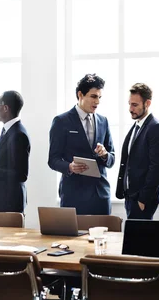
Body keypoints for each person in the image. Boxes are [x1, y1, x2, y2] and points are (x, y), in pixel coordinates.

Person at [48, 74, 115, 215]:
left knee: (103, 237)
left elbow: (112, 159)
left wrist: (104, 155)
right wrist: (70, 167)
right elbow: (52, 160)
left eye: (99, 97)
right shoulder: (61, 121)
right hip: (73, 195)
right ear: (80, 94)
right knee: (72, 237)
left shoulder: (104, 121)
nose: (97, 102)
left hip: (101, 195)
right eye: (93, 96)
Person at [115, 83, 159, 220]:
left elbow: (156, 167)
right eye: (129, 104)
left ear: (148, 103)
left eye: (135, 105)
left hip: (142, 199)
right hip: (131, 196)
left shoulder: (156, 128)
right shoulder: (137, 125)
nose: (130, 109)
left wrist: (143, 199)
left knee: (139, 240)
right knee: (134, 239)